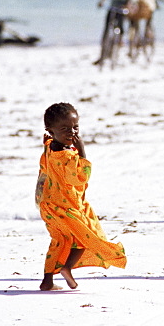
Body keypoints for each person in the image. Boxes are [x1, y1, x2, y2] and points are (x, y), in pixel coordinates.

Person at [36, 102, 126, 290]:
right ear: (51, 131)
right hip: (69, 206)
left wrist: (51, 138)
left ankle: (47, 281)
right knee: (85, 238)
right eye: (64, 129)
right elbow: (79, 179)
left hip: (49, 205)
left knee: (60, 240)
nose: (72, 133)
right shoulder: (69, 156)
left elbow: (45, 163)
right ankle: (67, 268)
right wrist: (82, 152)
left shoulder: (50, 147)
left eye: (75, 127)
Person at [94, 0, 132, 65]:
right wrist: (102, 1)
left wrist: (128, 5)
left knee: (121, 28)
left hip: (122, 8)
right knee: (106, 30)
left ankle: (119, 45)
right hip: (113, 7)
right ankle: (102, 55)